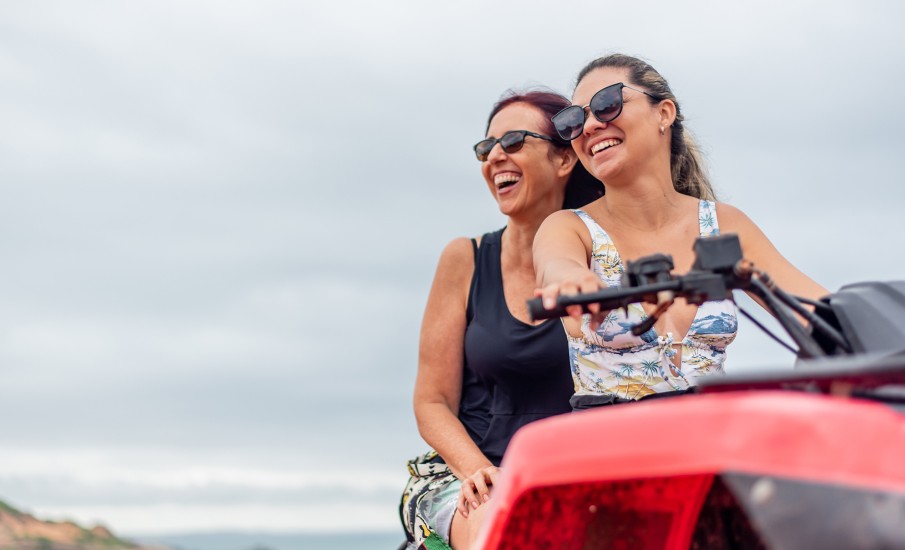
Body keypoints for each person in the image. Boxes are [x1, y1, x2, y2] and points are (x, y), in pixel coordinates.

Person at [533, 54, 828, 410]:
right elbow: (557, 265)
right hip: (609, 450)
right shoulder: (569, 227)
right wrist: (570, 281)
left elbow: (820, 312)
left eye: (607, 104)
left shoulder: (723, 224)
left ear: (664, 113)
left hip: (710, 443)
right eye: (575, 120)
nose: (591, 125)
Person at [400, 90, 603, 550]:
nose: (494, 156)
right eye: (484, 148)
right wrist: (478, 472)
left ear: (564, 159)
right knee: (502, 523)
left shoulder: (605, 261)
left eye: (513, 141)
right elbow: (431, 402)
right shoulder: (464, 258)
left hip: (571, 478)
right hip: (471, 474)